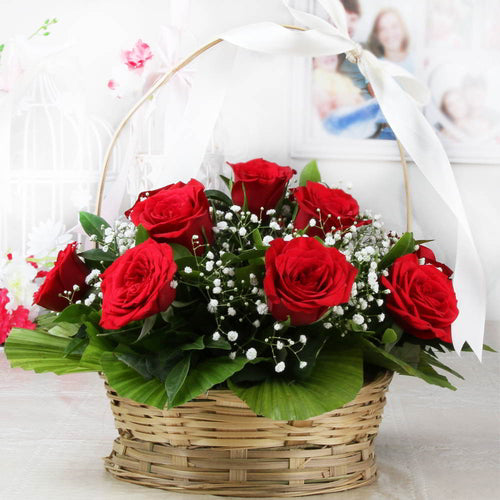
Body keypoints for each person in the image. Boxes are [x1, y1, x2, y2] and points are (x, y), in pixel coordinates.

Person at [368, 8, 414, 73]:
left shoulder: (417, 61)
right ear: (377, 35)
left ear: (403, 29)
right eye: (383, 29)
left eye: (394, 26)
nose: (389, 33)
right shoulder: (374, 68)